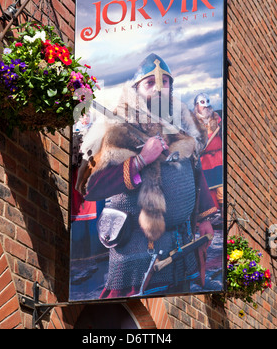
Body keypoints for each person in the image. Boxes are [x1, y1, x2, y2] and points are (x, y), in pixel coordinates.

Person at [77, 53, 217, 298]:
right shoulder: (115, 131)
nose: (158, 89)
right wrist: (140, 161)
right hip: (137, 248)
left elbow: (195, 172)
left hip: (180, 243)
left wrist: (205, 217)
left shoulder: (182, 127)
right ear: (136, 89)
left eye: (164, 83)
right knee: (126, 315)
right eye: (150, 83)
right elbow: (91, 186)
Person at [193, 93, 223, 211]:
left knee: (222, 188)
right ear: (197, 106)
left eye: (207, 103)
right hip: (204, 161)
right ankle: (214, 216)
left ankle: (225, 214)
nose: (206, 106)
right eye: (202, 103)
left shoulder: (217, 119)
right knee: (209, 191)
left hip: (219, 159)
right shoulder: (193, 123)